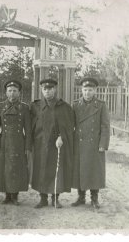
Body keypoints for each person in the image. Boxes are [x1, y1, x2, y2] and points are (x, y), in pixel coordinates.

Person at [30, 79, 75, 209]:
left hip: (57, 145)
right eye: (45, 89)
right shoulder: (35, 106)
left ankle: (55, 198)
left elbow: (68, 125)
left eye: (50, 89)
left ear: (55, 89)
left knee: (56, 171)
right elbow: (31, 125)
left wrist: (61, 137)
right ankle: (43, 198)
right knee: (41, 170)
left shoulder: (64, 107)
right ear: (41, 90)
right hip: (40, 145)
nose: (47, 91)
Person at [71, 77, 110, 209]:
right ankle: (81, 197)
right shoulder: (75, 105)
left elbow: (105, 126)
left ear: (95, 91)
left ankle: (94, 199)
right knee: (79, 171)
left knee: (94, 171)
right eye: (85, 90)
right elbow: (71, 125)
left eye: (90, 90)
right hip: (79, 144)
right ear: (81, 90)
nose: (87, 93)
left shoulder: (101, 105)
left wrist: (103, 144)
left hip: (95, 145)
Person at [0, 80, 31, 205]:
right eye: (10, 91)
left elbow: (28, 129)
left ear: (19, 92)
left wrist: (27, 146)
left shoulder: (24, 107)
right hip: (4, 142)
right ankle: (7, 195)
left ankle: (15, 196)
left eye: (14, 91)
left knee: (16, 168)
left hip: (19, 141)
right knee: (4, 168)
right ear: (6, 92)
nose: (12, 93)